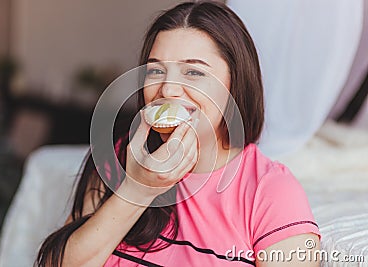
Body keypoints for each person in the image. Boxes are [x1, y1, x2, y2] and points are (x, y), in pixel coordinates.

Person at [36, 1, 321, 266]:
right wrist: (138, 189)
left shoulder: (269, 191)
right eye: (156, 71)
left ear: (235, 85)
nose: (168, 90)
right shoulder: (122, 156)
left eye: (193, 73)